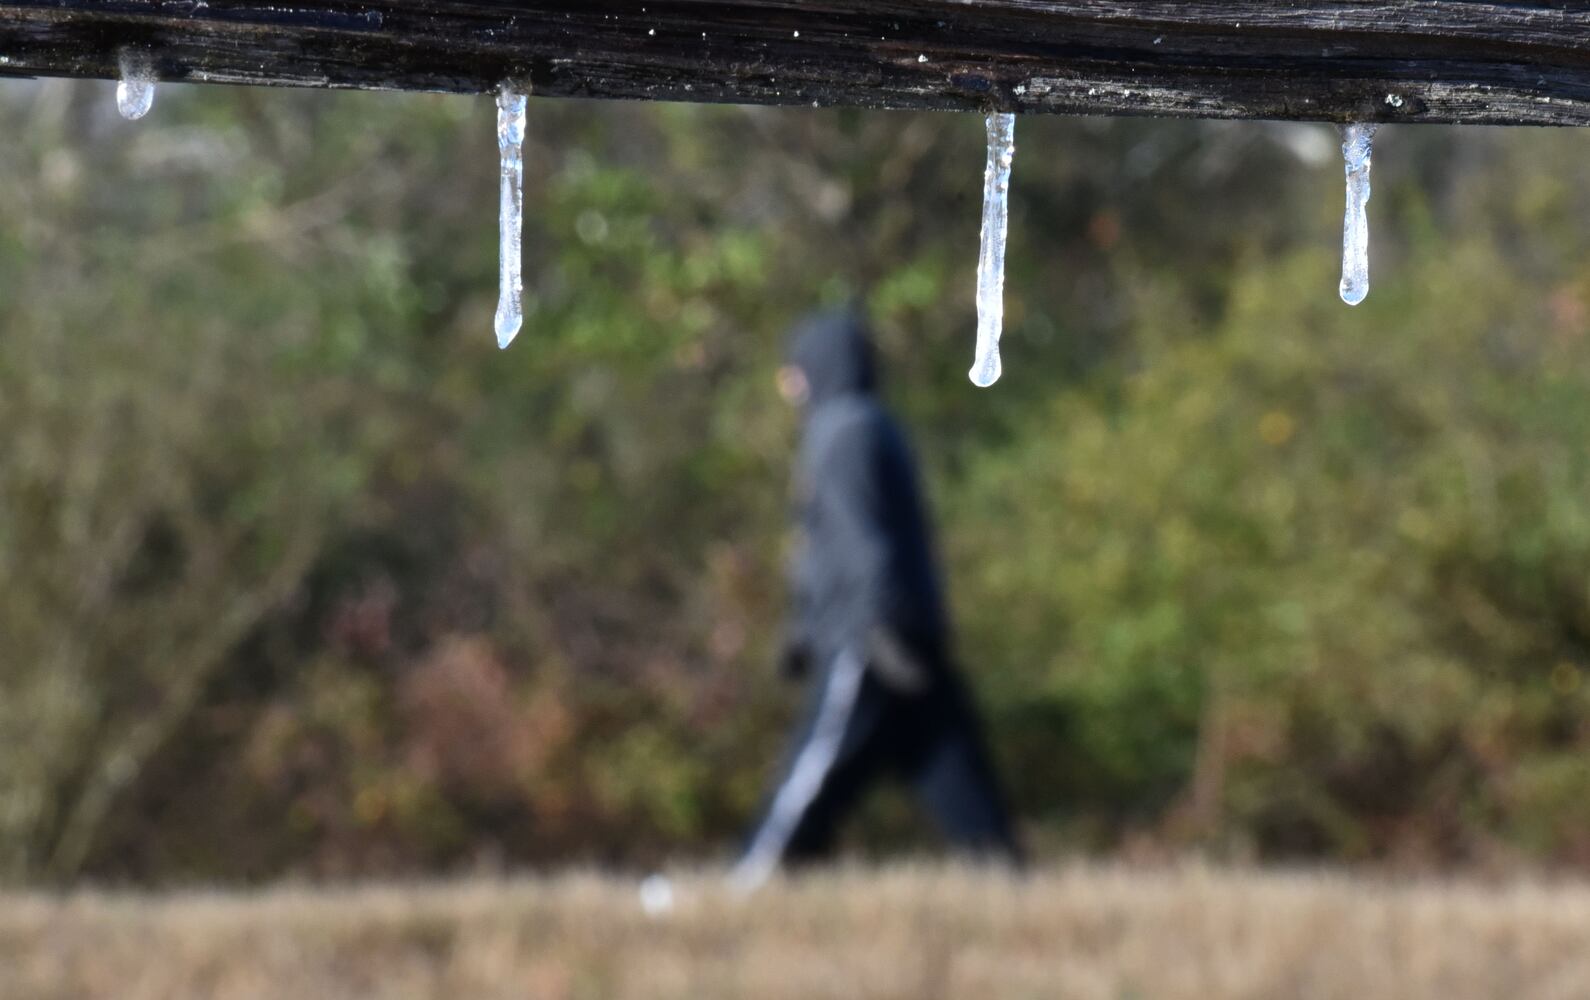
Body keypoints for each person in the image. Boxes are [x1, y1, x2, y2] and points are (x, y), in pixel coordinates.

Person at [734, 309, 1022, 889]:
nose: (788, 384)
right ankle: (1007, 887)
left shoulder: (841, 433)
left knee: (814, 773)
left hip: (869, 639)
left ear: (817, 368)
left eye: (794, 370)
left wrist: (870, 628)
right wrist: (804, 628)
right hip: (910, 633)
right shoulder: (873, 425)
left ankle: (749, 886)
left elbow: (857, 542)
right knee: (953, 772)